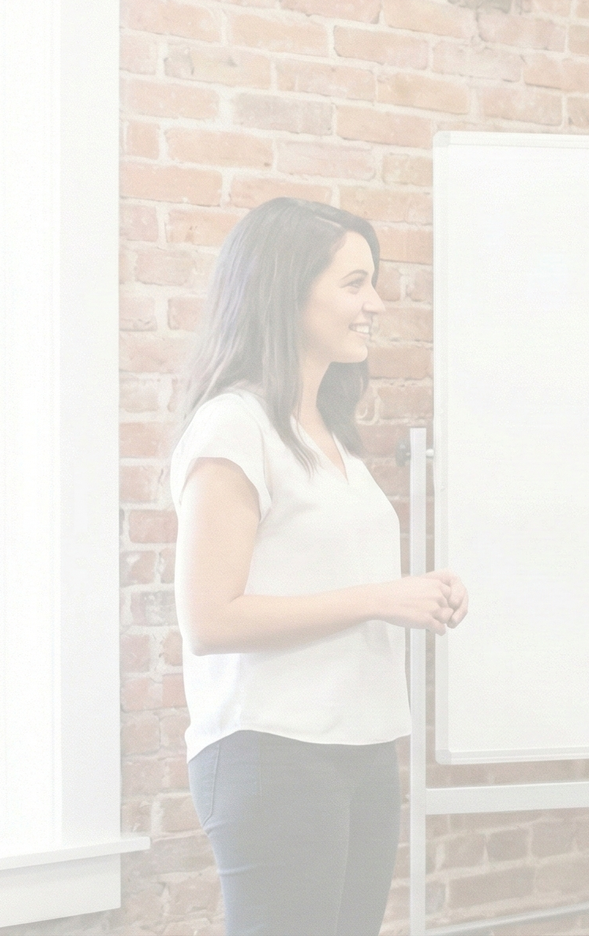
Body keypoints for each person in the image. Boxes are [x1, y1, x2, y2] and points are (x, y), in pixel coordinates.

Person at [171, 197, 470, 935]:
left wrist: (420, 594)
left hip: (360, 746)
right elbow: (210, 618)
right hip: (272, 751)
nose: (374, 304)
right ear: (287, 288)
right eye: (354, 282)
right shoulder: (234, 425)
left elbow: (327, 574)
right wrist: (378, 597)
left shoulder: (331, 433)